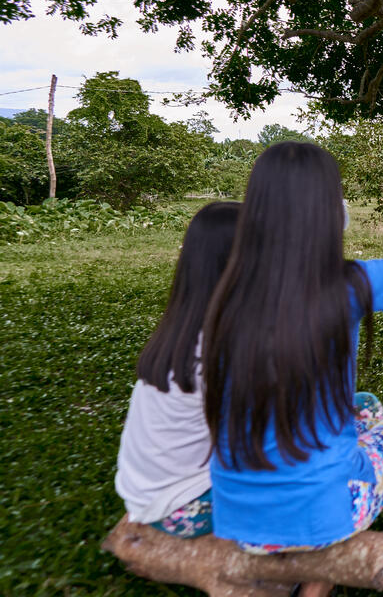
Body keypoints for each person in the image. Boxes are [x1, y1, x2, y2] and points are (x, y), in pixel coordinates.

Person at [202, 105, 383, 580]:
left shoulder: (227, 294)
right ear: (329, 211)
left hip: (236, 519)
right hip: (329, 512)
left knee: (364, 407)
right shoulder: (351, 284)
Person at [114, 201, 240, 538]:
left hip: (142, 495)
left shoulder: (182, 329)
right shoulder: (226, 345)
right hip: (186, 506)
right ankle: (309, 579)